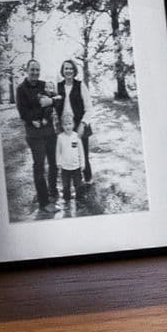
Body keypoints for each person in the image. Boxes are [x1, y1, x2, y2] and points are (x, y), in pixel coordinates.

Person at [13, 61, 58, 213]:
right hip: (34, 134)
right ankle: (44, 202)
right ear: (27, 70)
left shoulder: (44, 85)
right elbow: (23, 111)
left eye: (37, 70)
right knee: (39, 166)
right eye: (32, 69)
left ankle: (52, 192)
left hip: (50, 131)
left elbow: (55, 102)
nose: (35, 72)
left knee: (53, 163)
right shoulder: (21, 89)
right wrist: (36, 116)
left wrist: (50, 102)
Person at [54, 57, 92, 214]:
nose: (68, 71)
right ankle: (70, 182)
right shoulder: (59, 86)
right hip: (65, 127)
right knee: (67, 153)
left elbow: (89, 107)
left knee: (81, 153)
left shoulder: (80, 85)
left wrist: (83, 124)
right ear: (62, 71)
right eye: (65, 68)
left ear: (74, 70)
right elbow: (55, 105)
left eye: (70, 68)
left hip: (79, 125)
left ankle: (87, 181)